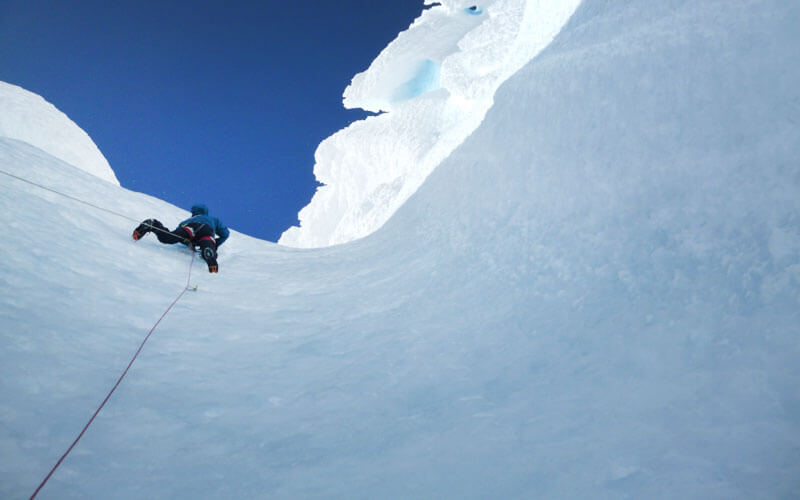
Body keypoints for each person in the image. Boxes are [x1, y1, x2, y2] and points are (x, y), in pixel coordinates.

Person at [132, 204, 229, 273]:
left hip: (188, 228)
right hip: (206, 229)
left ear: (194, 213)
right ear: (206, 212)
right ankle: (209, 253)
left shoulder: (187, 220)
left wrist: (187, 242)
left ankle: (154, 224)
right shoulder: (213, 219)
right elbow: (225, 234)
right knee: (207, 242)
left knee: (169, 237)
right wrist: (215, 243)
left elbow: (179, 235)